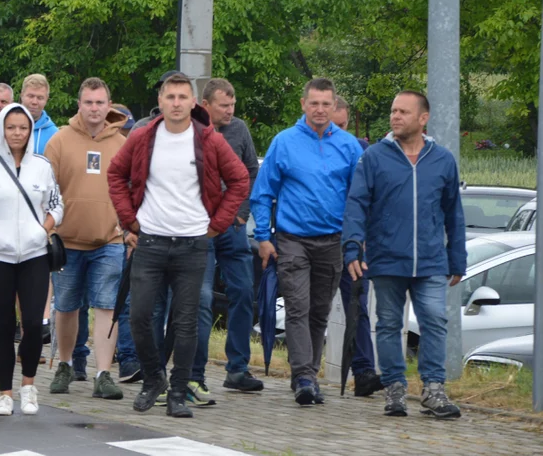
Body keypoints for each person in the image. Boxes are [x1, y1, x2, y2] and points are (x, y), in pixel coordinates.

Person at [107, 73, 249, 418]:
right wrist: (130, 221)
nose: (175, 103)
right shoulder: (142, 137)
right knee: (140, 316)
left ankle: (178, 391)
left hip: (192, 244)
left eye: (182, 97)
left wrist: (216, 226)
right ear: (161, 100)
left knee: (186, 322)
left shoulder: (209, 140)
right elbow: (115, 174)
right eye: (170, 96)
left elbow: (240, 179)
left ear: (193, 103)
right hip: (150, 241)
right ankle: (154, 380)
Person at [344, 91, 466, 419]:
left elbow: (453, 212)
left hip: (430, 260)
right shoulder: (374, 157)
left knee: (435, 320)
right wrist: (352, 244)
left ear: (423, 119)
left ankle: (433, 389)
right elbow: (356, 203)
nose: (395, 116)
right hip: (386, 257)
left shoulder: (442, 159)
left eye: (403, 112)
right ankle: (395, 388)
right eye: (393, 110)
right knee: (388, 324)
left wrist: (458, 258)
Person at [250, 77, 364, 406]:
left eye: (326, 104)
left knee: (319, 311)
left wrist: (358, 238)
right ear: (303, 104)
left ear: (334, 107)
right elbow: (262, 193)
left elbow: (360, 198)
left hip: (333, 241)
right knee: (297, 308)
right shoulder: (284, 142)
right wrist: (262, 237)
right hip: (292, 239)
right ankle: (302, 375)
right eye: (314, 103)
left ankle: (309, 374)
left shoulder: (349, 146)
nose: (319, 109)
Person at [0, 103, 62, 417]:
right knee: (4, 323)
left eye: (23, 128)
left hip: (33, 254)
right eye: (11, 127)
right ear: (2, 129)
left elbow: (57, 206)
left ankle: (28, 386)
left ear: (30, 131)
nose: (17, 133)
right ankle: (4, 393)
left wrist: (42, 230)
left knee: (33, 323)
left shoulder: (42, 166)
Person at [46, 77, 127, 401]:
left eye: (100, 102)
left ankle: (104, 373)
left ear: (109, 106)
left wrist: (129, 227)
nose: (94, 108)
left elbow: (132, 189)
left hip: (109, 240)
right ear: (79, 105)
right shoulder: (59, 141)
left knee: (107, 306)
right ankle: (65, 364)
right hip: (66, 242)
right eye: (89, 102)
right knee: (66, 307)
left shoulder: (122, 144)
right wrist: (48, 230)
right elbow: (45, 190)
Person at [189, 78, 265, 395]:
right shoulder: (189, 131)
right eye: (224, 105)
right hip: (201, 227)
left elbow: (250, 171)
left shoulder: (239, 130)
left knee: (244, 291)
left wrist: (243, 212)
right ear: (205, 105)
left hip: (232, 225)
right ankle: (195, 372)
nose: (230, 111)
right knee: (202, 298)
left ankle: (238, 368)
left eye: (233, 104)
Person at [330, 96, 382, 398]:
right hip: (318, 239)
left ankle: (363, 372)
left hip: (352, 243)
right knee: (312, 309)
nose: (340, 133)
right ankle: (305, 372)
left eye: (344, 126)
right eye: (335, 126)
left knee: (357, 306)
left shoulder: (362, 152)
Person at [17, 74, 58, 155]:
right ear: (22, 95)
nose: (34, 102)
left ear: (46, 99)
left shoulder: (54, 134)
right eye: (30, 96)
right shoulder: (0, 124)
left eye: (40, 98)